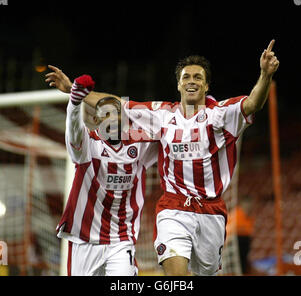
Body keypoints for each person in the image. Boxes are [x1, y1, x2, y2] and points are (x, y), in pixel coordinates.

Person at [47, 39, 279, 276]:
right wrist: (74, 93)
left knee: (206, 272)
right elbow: (117, 105)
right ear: (178, 85)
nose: (191, 81)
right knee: (175, 276)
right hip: (173, 207)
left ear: (207, 85)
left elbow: (252, 104)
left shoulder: (220, 116)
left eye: (197, 77)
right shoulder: (162, 115)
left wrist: (265, 75)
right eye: (186, 77)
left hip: (211, 209)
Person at [45, 68, 158, 276]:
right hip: (84, 238)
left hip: (121, 240)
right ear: (96, 122)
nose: (112, 118)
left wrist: (198, 115)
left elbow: (167, 133)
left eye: (117, 113)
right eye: (106, 114)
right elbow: (74, 131)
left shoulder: (139, 148)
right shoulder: (89, 147)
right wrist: (75, 102)